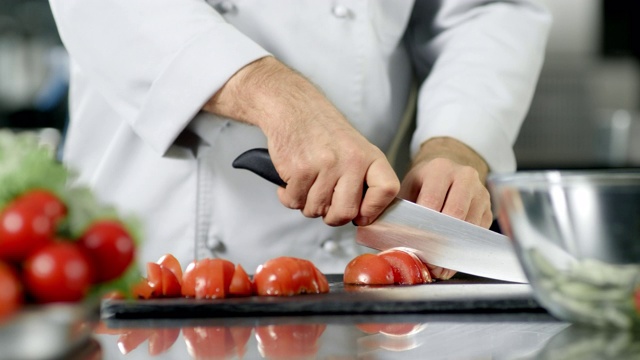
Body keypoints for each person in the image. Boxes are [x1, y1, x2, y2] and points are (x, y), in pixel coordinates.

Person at [48, 0, 551, 276]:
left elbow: (487, 9)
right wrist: (278, 98)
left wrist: (456, 141)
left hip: (343, 273)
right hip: (149, 247)